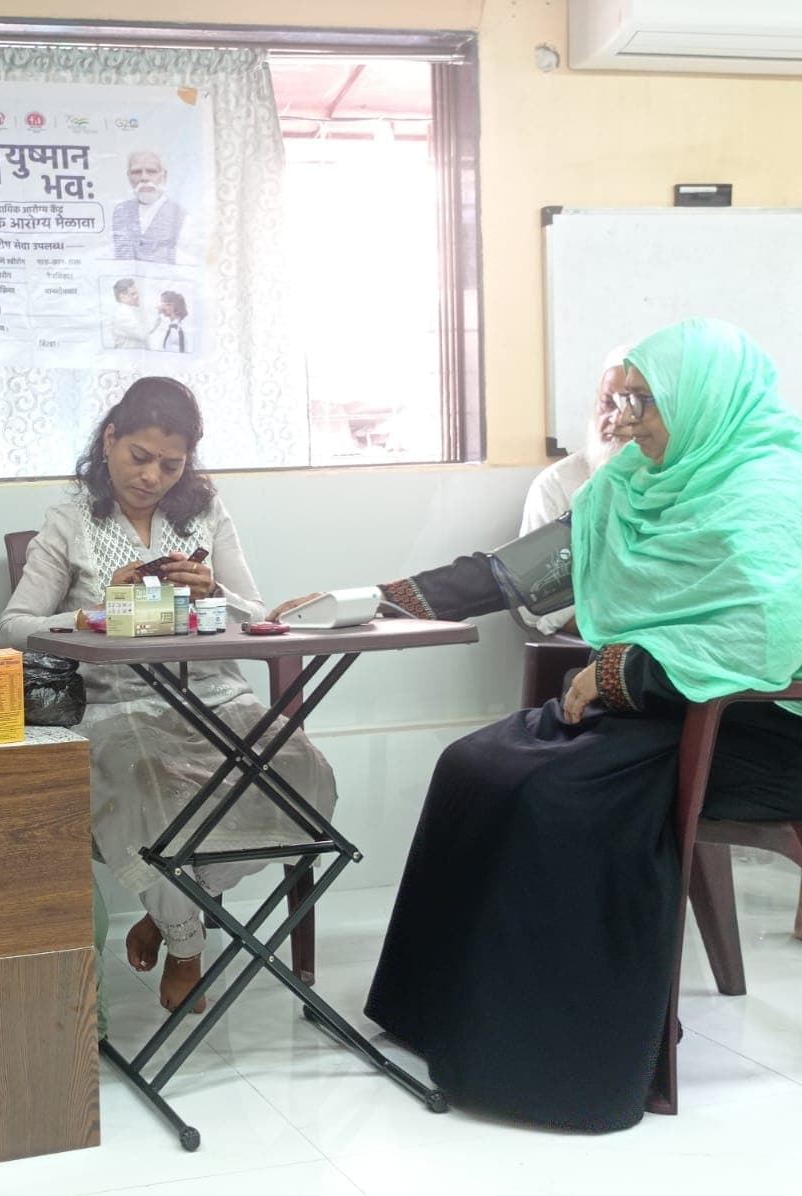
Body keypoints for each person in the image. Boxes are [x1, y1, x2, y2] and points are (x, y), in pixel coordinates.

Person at [275, 318, 802, 1132]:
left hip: (755, 730)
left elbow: (763, 639)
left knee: (556, 794)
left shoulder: (772, 490)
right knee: (476, 763)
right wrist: (369, 602)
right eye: (621, 399)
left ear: (705, 400)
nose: (625, 420)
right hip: (663, 710)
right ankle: (437, 1016)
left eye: (646, 400)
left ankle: (559, 1060)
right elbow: (513, 572)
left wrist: (621, 672)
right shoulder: (631, 488)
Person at [0, 377, 338, 1015]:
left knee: (303, 774)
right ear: (109, 440)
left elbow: (256, 613)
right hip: (119, 701)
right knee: (149, 784)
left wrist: (213, 592)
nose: (152, 477)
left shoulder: (207, 513)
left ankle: (170, 909)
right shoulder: (70, 521)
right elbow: (14, 627)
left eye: (171, 464)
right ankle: (186, 944)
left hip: (216, 693)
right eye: (139, 457)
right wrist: (100, 608)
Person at [517, 345, 630, 633]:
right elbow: (537, 602)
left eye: (633, 406)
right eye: (608, 403)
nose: (616, 419)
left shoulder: (690, 483)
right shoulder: (557, 485)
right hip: (600, 641)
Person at [111, 150, 188, 264]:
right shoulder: (121, 211)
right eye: (136, 172)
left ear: (163, 176)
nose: (144, 178)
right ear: (129, 176)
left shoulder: (180, 215)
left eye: (151, 171)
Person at [110, 278, 156, 350]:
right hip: (127, 356)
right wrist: (156, 312)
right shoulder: (122, 314)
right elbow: (142, 332)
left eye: (137, 293)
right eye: (133, 294)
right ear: (122, 296)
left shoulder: (131, 311)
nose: (137, 296)